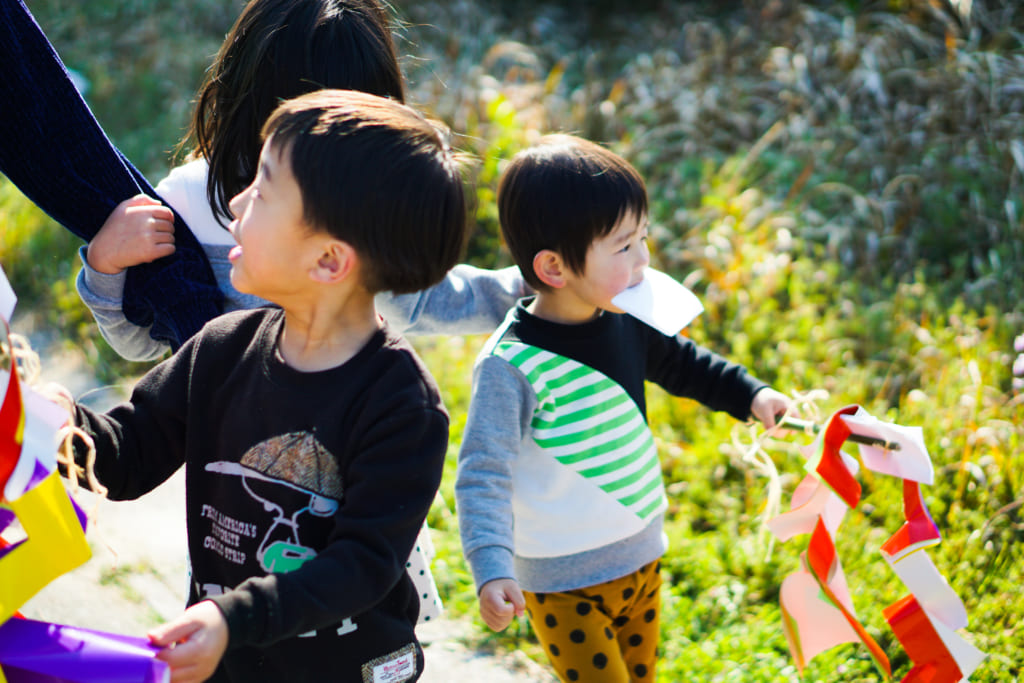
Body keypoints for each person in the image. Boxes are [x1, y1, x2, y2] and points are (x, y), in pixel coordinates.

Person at [62, 89, 467, 683]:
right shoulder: (221, 350)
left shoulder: (401, 405)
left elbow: (360, 565)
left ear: (329, 262)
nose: (236, 200)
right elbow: (126, 454)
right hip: (226, 660)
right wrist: (43, 424)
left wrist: (233, 617)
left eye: (263, 189)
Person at [454, 134, 791, 683]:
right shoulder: (510, 365)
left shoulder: (625, 318)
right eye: (624, 246)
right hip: (563, 582)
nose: (645, 259)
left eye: (644, 238)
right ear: (555, 267)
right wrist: (491, 566)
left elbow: (684, 364)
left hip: (641, 556)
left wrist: (750, 394)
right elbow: (482, 473)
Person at [76, 0, 525, 362]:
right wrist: (105, 268)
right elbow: (146, 345)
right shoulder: (184, 206)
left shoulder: (362, 220)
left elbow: (432, 298)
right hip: (222, 465)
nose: (239, 209)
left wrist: (541, 286)